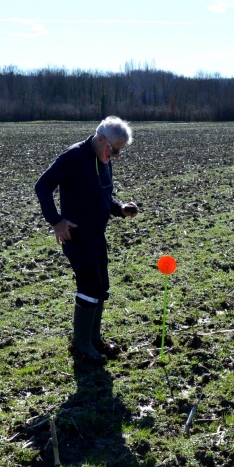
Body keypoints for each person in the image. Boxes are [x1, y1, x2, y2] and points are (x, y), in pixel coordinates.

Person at [35, 116, 139, 363]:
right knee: (89, 285)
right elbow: (42, 186)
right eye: (114, 149)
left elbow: (104, 195)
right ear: (101, 139)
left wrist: (121, 208)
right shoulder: (73, 156)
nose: (115, 155)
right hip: (77, 234)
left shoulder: (103, 158)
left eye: (119, 152)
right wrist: (56, 221)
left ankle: (93, 339)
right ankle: (81, 345)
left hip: (97, 233)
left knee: (101, 285)